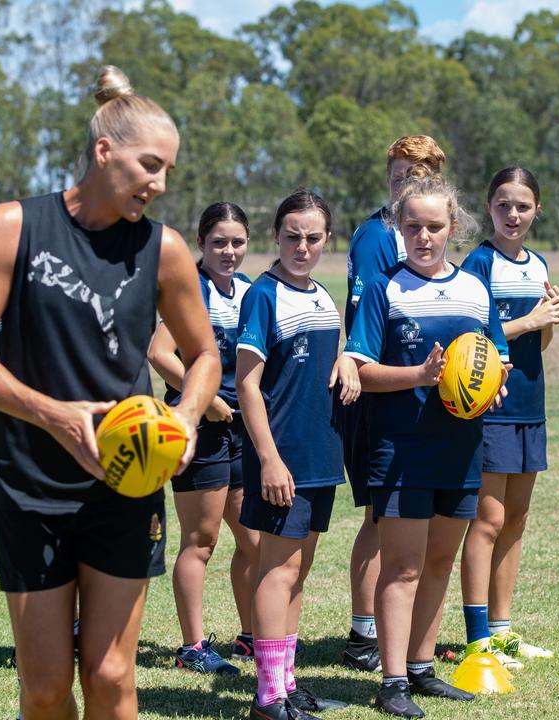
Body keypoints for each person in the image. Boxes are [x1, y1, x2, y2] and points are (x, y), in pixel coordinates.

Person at [0, 65, 220, 720]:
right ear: (104, 151)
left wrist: (186, 414)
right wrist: (53, 415)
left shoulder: (166, 248)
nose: (159, 184)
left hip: (127, 484)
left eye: (169, 171)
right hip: (29, 485)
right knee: (43, 687)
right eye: (150, 165)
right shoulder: (16, 225)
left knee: (112, 674)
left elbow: (205, 353)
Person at [344, 173, 509, 718]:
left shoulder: (474, 289)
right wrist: (419, 375)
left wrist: (495, 384)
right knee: (404, 567)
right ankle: (392, 682)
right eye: (412, 225)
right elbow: (360, 372)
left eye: (434, 226)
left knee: (440, 560)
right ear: (398, 226)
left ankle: (421, 668)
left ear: (453, 227)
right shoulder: (383, 288)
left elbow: (495, 357)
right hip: (401, 449)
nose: (423, 236)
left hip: (460, 448)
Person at [236, 190, 360, 720]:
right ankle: (267, 697)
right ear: (276, 237)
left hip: (319, 454)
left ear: (326, 239)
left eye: (312, 237)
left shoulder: (320, 295)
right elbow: (245, 384)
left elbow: (330, 361)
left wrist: (348, 360)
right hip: (281, 459)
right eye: (292, 236)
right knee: (277, 569)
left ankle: (287, 685)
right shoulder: (264, 295)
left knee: (298, 569)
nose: (302, 246)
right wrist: (268, 458)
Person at [340, 135, 446, 672]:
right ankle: (365, 634)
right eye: (399, 172)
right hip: (375, 389)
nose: (406, 181)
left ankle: (399, 636)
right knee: (381, 518)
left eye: (418, 173)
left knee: (401, 522)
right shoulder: (376, 235)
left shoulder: (427, 232)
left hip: (419, 395)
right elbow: (363, 329)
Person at [458, 166, 559, 667]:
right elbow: (473, 339)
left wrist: (549, 320)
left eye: (522, 206)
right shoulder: (478, 265)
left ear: (536, 210)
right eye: (503, 205)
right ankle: (477, 637)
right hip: (491, 409)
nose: (513, 214)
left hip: (530, 405)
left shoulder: (537, 263)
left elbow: (538, 343)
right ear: (489, 207)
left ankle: (502, 632)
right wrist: (530, 320)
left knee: (516, 520)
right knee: (488, 519)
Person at [147, 201, 259, 674]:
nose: (228, 251)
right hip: (200, 431)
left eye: (236, 242)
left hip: (242, 432)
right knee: (201, 540)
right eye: (218, 242)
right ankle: (192, 649)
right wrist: (207, 399)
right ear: (201, 244)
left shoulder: (250, 291)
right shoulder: (189, 289)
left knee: (253, 541)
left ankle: (252, 636)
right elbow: (159, 353)